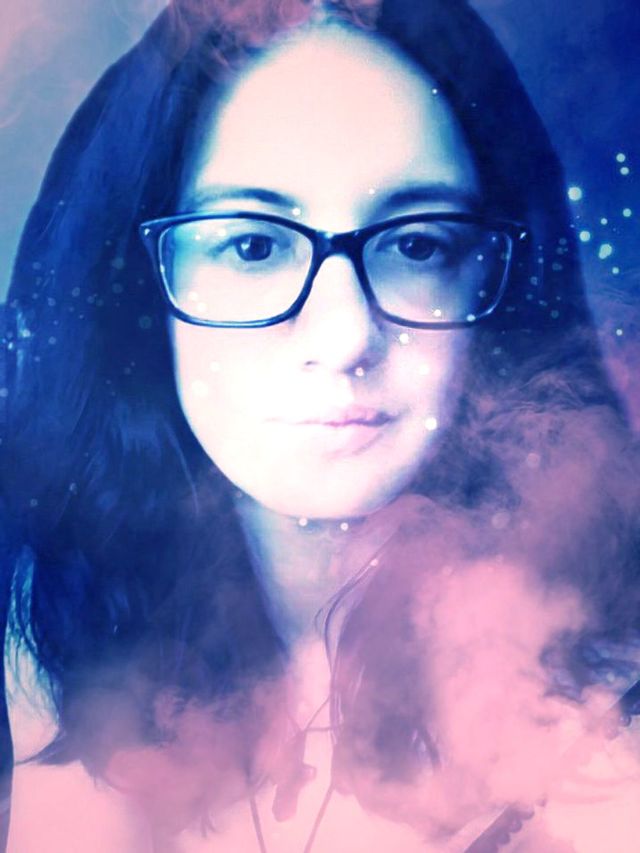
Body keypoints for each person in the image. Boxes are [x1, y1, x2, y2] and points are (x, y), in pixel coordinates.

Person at [1, 0, 639, 850]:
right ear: (138, 293)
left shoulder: (603, 718)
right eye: (254, 246)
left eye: (418, 245)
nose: (345, 338)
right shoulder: (50, 642)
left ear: (496, 286)